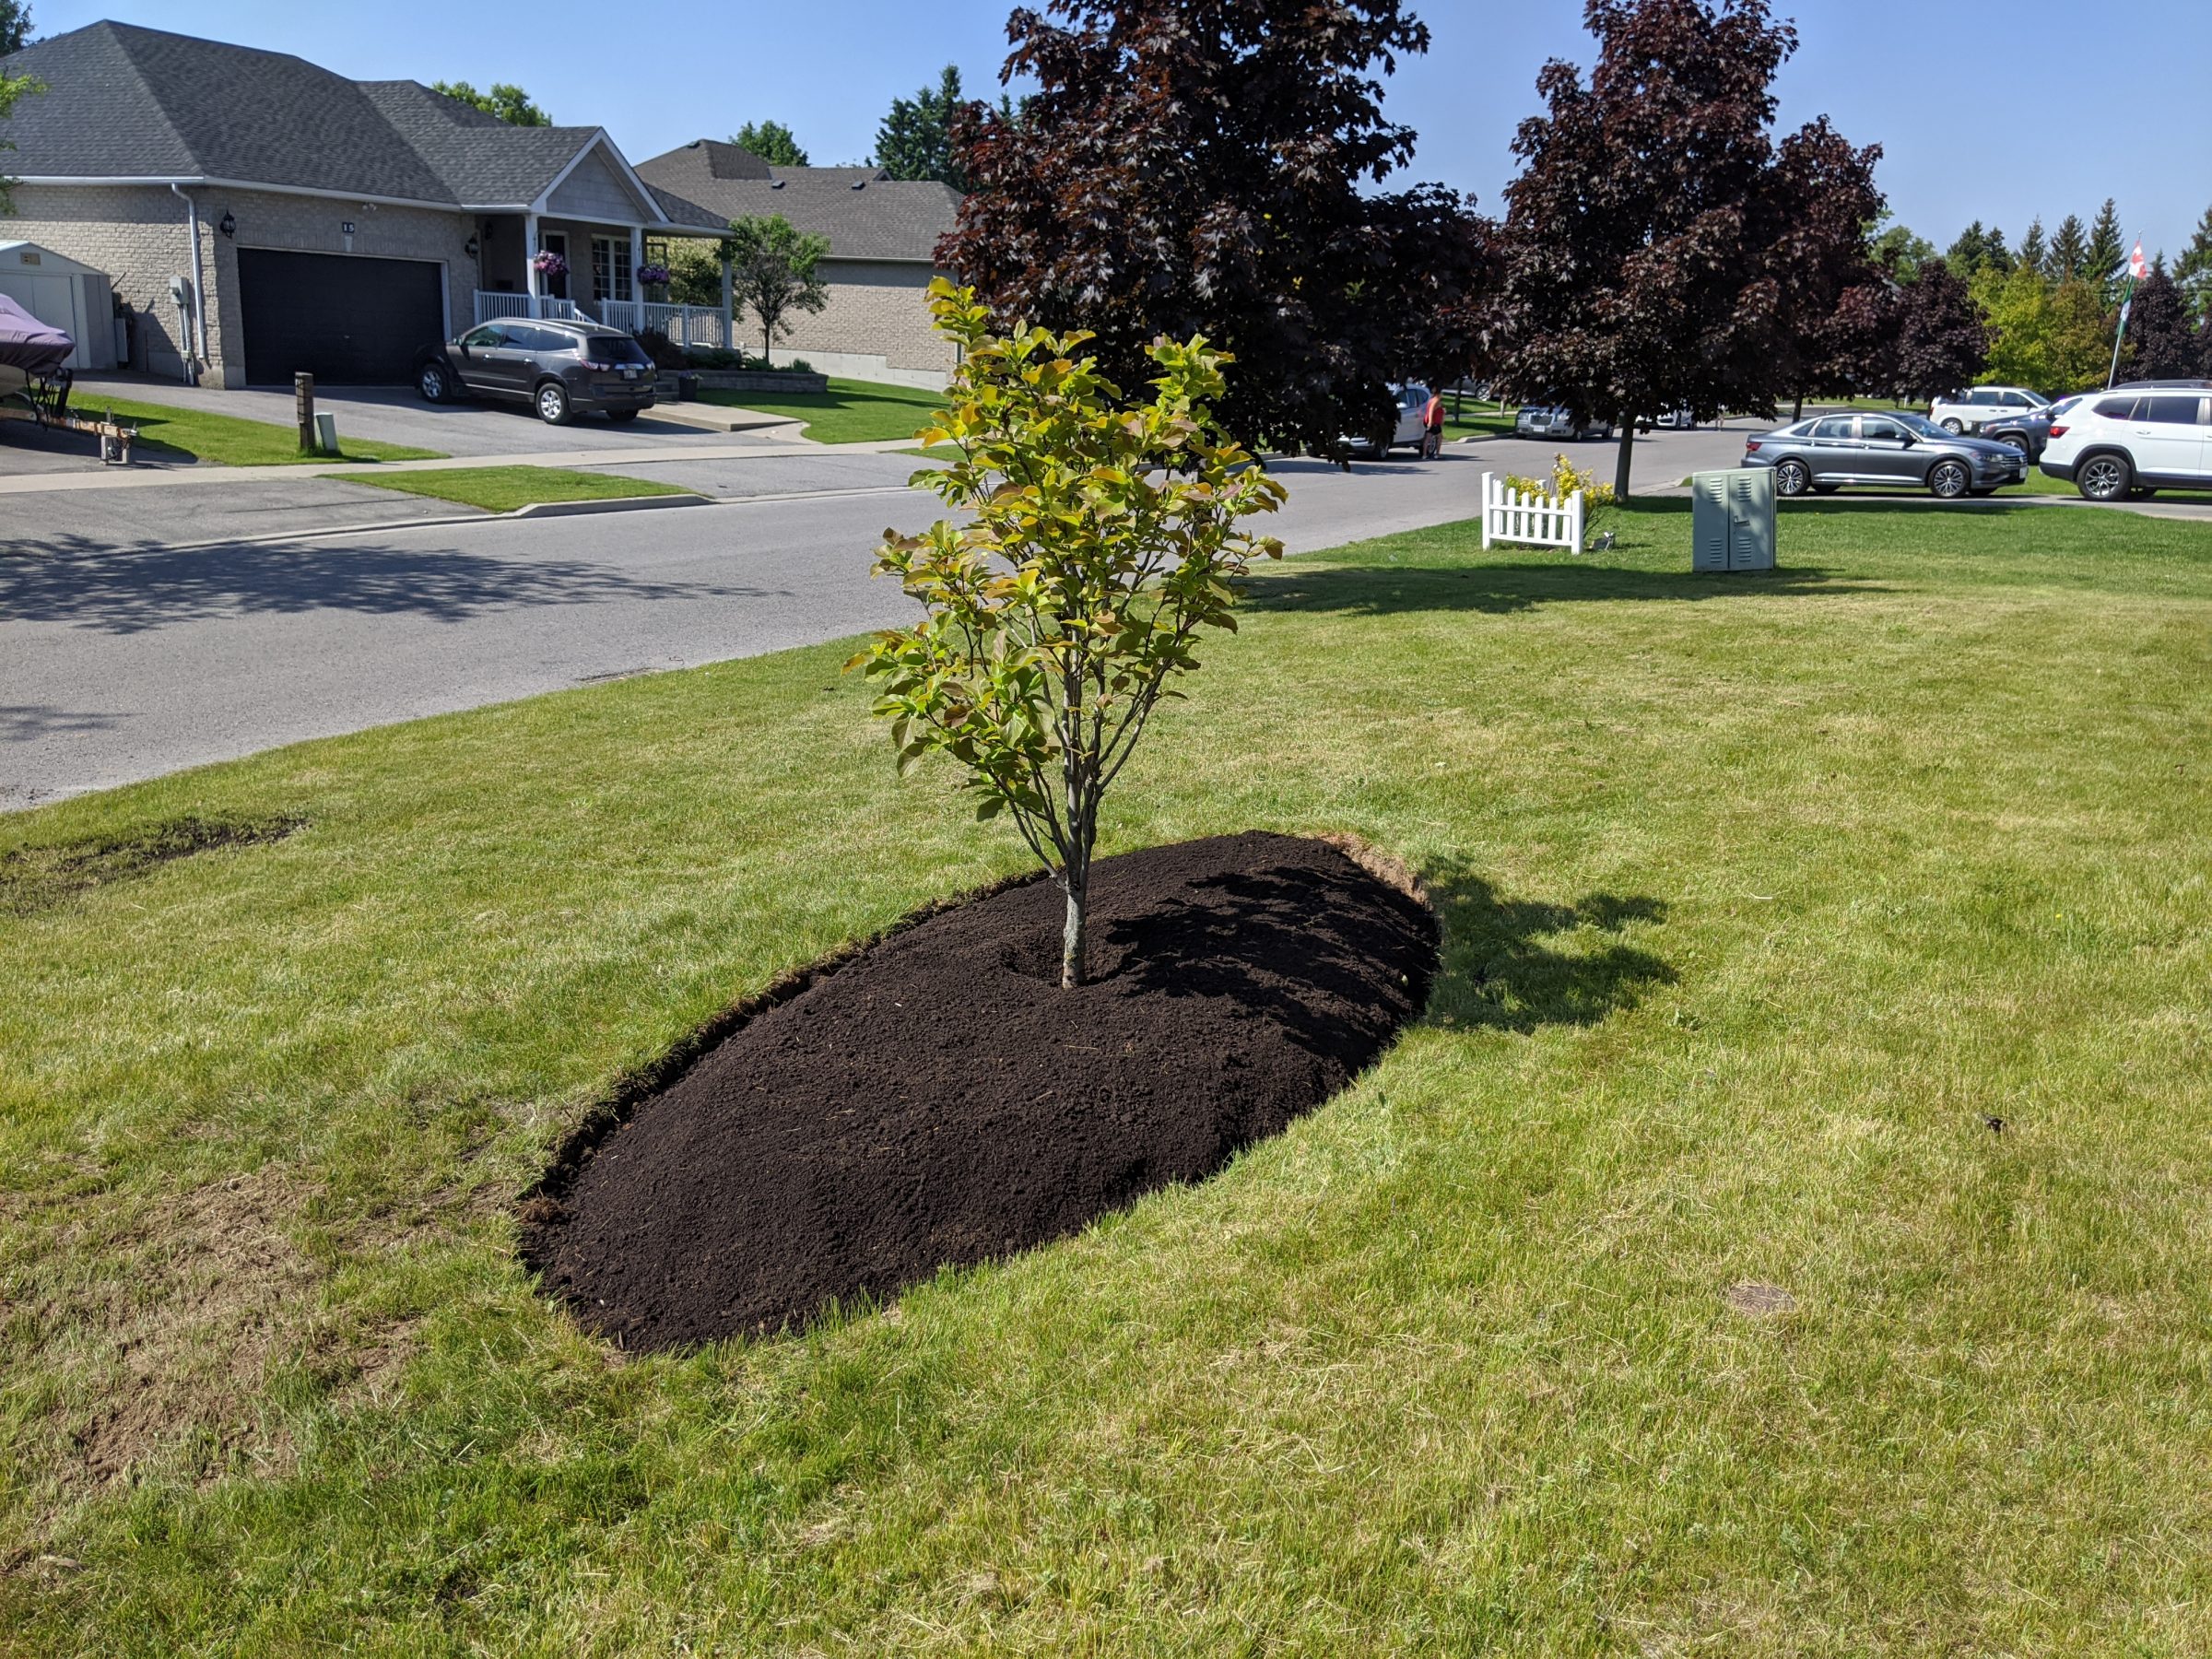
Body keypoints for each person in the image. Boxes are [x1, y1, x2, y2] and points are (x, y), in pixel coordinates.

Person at [1421, 388, 1446, 458]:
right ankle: (1437, 454)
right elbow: (1431, 410)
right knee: (1439, 437)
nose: (1442, 395)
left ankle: (1424, 455)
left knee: (1428, 437)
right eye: (1441, 394)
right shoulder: (1436, 400)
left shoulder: (1431, 400)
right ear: (1438, 394)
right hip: (1434, 422)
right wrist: (1430, 421)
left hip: (1429, 421)